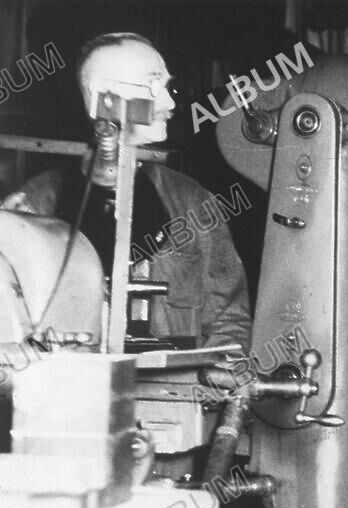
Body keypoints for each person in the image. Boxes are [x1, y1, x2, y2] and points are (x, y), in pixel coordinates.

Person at [3, 32, 251, 352]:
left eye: (168, 86)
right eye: (152, 85)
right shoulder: (35, 204)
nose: (170, 103)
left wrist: (222, 372)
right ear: (104, 97)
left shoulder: (193, 202)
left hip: (171, 398)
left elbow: (228, 319)